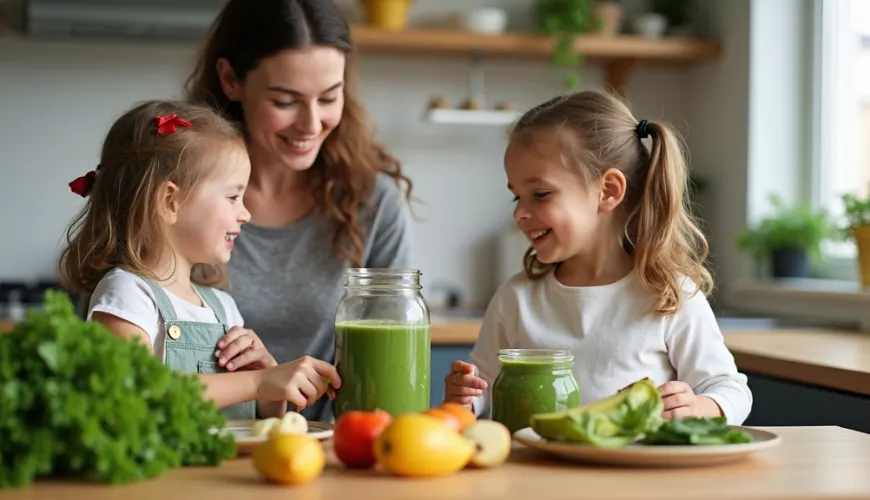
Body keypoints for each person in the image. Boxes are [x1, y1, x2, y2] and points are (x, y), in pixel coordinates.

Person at [444, 90, 753, 425]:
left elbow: (731, 388)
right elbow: (484, 390)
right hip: (535, 475)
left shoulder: (668, 294)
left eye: (540, 194)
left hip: (633, 476)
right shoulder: (515, 299)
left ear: (608, 191)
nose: (520, 213)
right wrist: (465, 398)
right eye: (516, 197)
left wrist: (702, 406)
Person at [183, 0, 414, 422]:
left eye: (329, 97)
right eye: (286, 101)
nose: (311, 124)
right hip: (200, 448)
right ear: (231, 79)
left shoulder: (373, 202)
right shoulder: (178, 195)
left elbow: (391, 368)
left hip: (332, 449)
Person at [58, 99, 341, 420]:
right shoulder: (128, 294)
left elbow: (253, 422)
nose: (245, 213)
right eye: (233, 197)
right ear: (170, 201)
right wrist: (255, 382)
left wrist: (269, 384)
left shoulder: (223, 308)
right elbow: (133, 389)